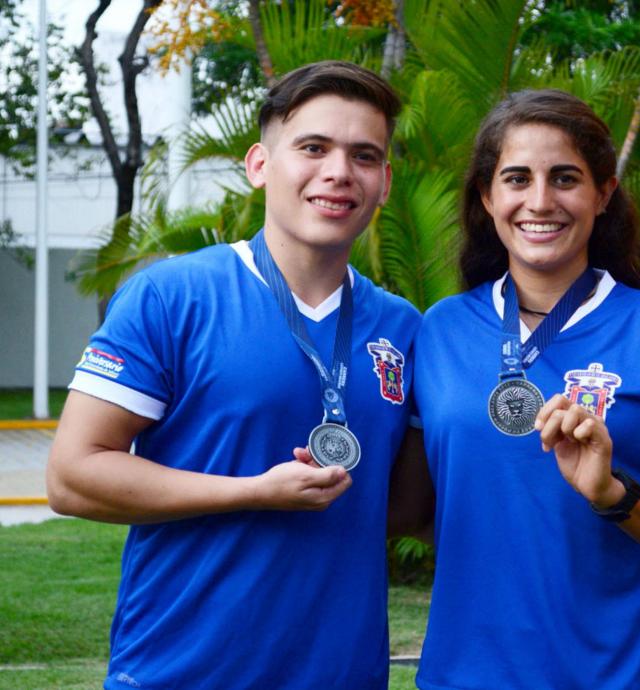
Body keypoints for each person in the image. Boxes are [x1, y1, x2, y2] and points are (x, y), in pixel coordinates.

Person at [46, 60, 420, 690]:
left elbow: (408, 504)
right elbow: (72, 478)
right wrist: (253, 491)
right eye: (313, 147)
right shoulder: (172, 297)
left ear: (383, 182)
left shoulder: (404, 329)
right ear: (260, 165)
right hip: (181, 672)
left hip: (342, 674)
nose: (337, 172)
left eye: (362, 156)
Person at [412, 89, 640, 690]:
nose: (540, 201)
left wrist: (613, 494)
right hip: (467, 675)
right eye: (516, 178)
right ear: (487, 197)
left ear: (603, 194)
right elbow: (411, 505)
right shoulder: (438, 332)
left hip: (620, 675)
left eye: (565, 178)